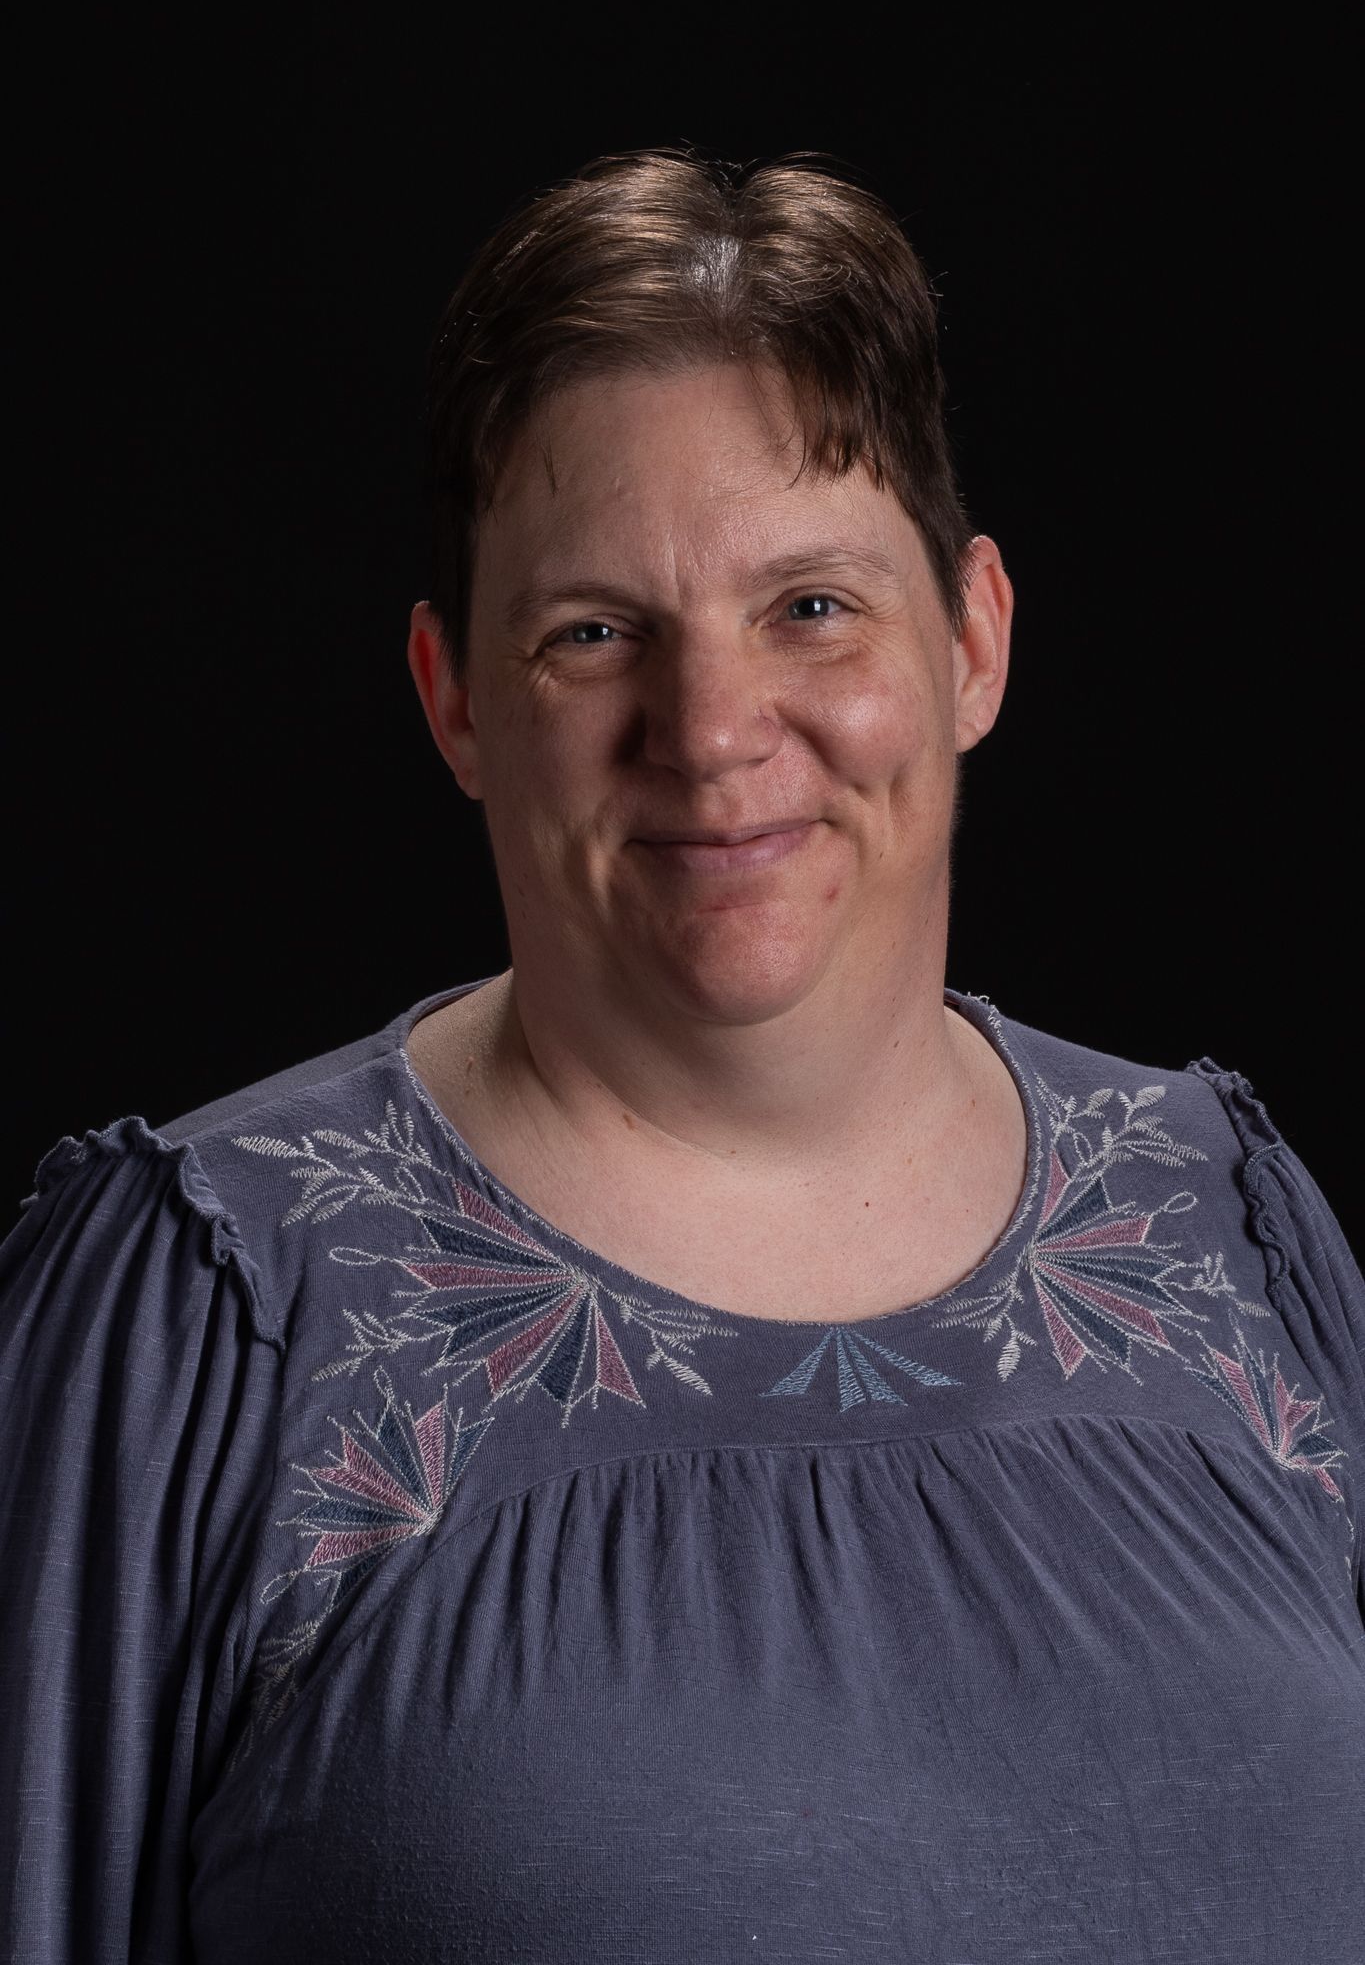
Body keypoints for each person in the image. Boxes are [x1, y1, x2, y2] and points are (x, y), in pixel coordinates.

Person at [2, 146, 1362, 1964]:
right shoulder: (210, 1309)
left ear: (971, 641)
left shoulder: (1228, 1232)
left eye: (809, 605)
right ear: (454, 700)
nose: (712, 733)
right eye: (592, 634)